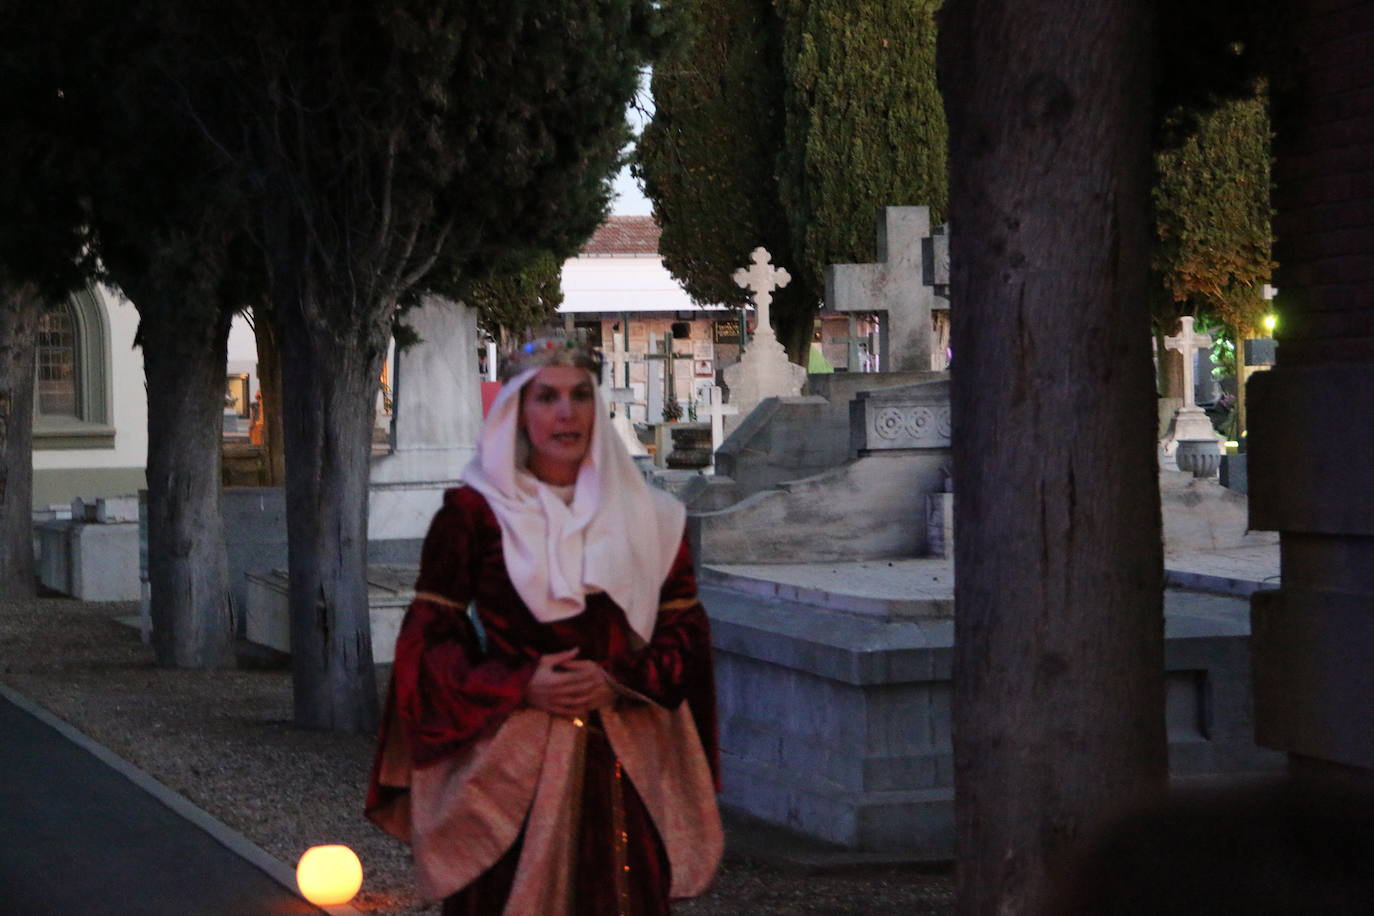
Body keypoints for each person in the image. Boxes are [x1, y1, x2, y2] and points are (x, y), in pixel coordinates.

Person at [366, 336, 722, 915]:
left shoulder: (651, 516)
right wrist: (518, 683)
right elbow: (428, 642)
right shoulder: (473, 515)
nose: (566, 413)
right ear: (517, 411)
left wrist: (617, 678)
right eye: (547, 397)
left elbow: (686, 634)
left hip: (624, 757)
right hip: (509, 759)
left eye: (580, 395)